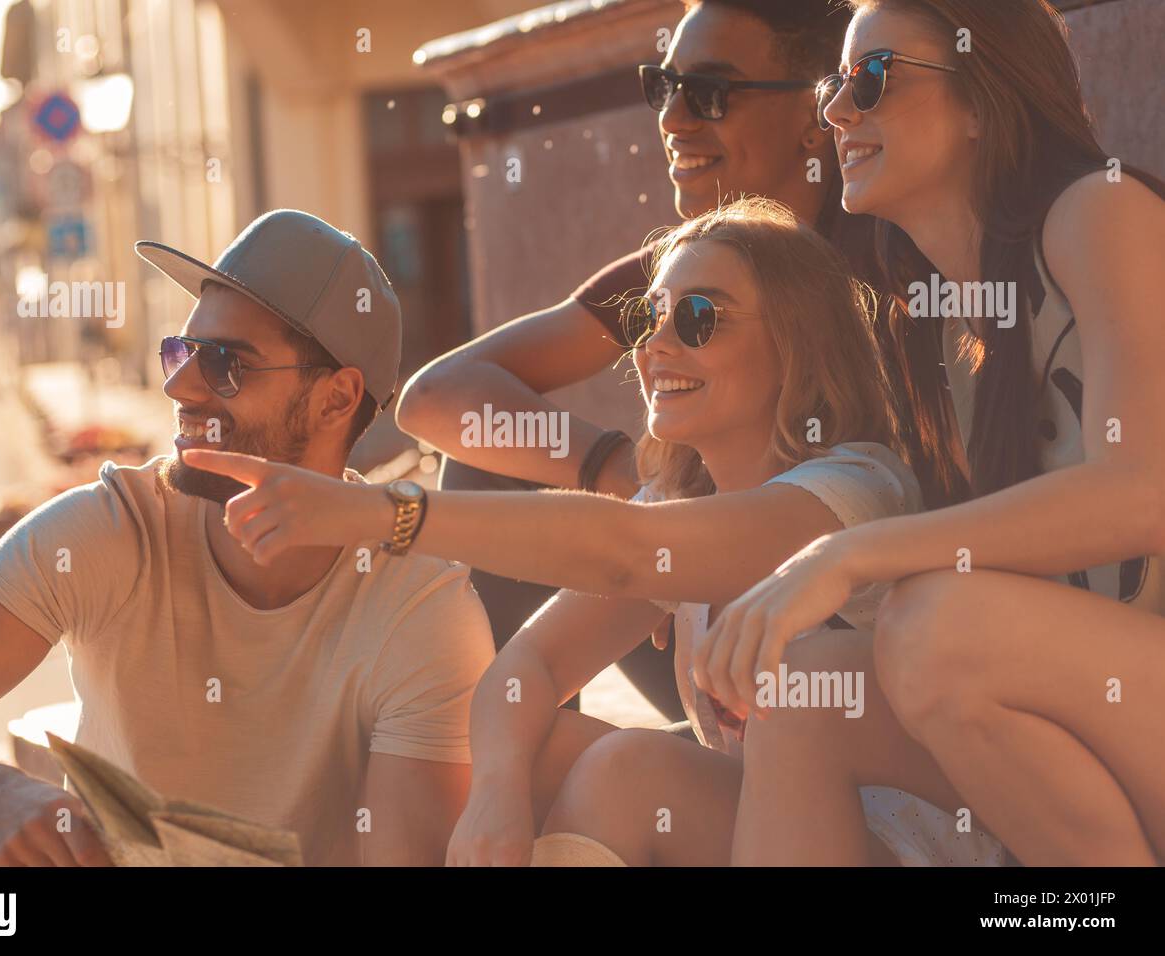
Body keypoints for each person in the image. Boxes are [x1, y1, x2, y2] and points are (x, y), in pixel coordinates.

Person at [183, 199, 999, 866]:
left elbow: (626, 553)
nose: (656, 347)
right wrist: (498, 795)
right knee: (527, 752)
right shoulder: (673, 498)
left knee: (627, 773)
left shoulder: (851, 486)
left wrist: (381, 514)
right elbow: (526, 666)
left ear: (798, 344)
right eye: (651, 318)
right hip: (773, 832)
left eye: (701, 317)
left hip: (914, 845)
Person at [0, 210, 494, 867]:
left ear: (337, 399)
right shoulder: (111, 529)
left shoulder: (420, 606)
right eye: (182, 352)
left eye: (227, 365)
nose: (178, 386)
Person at [691, 0, 1165, 865]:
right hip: (1111, 714)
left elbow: (1142, 491)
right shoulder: (943, 329)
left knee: (931, 625)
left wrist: (849, 557)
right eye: (837, 82)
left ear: (983, 99)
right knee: (804, 699)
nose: (836, 110)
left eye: (873, 78)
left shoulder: (1099, 213)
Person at [395, 0, 867, 720]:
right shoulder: (678, 268)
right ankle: (497, 774)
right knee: (492, 462)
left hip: (844, 639)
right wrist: (616, 471)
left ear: (816, 114)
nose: (675, 119)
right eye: (662, 87)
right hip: (685, 600)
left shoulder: (882, 250)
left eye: (709, 91)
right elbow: (434, 397)